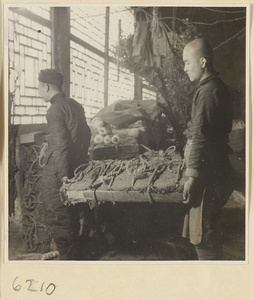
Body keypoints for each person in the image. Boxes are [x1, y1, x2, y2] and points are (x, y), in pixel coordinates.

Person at [181, 38, 234, 260]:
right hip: (215, 168)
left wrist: (192, 176)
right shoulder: (215, 88)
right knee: (209, 232)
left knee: (202, 238)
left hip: (208, 174)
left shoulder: (208, 92)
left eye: (187, 63)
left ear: (202, 62)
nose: (184, 68)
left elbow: (201, 138)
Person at [38, 69, 91, 259]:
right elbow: (87, 135)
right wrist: (78, 162)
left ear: (46, 86)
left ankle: (69, 263)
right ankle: (72, 256)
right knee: (72, 216)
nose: (39, 91)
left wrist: (63, 176)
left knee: (58, 218)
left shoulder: (55, 110)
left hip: (58, 172)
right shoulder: (75, 105)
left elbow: (61, 146)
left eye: (39, 87)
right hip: (76, 166)